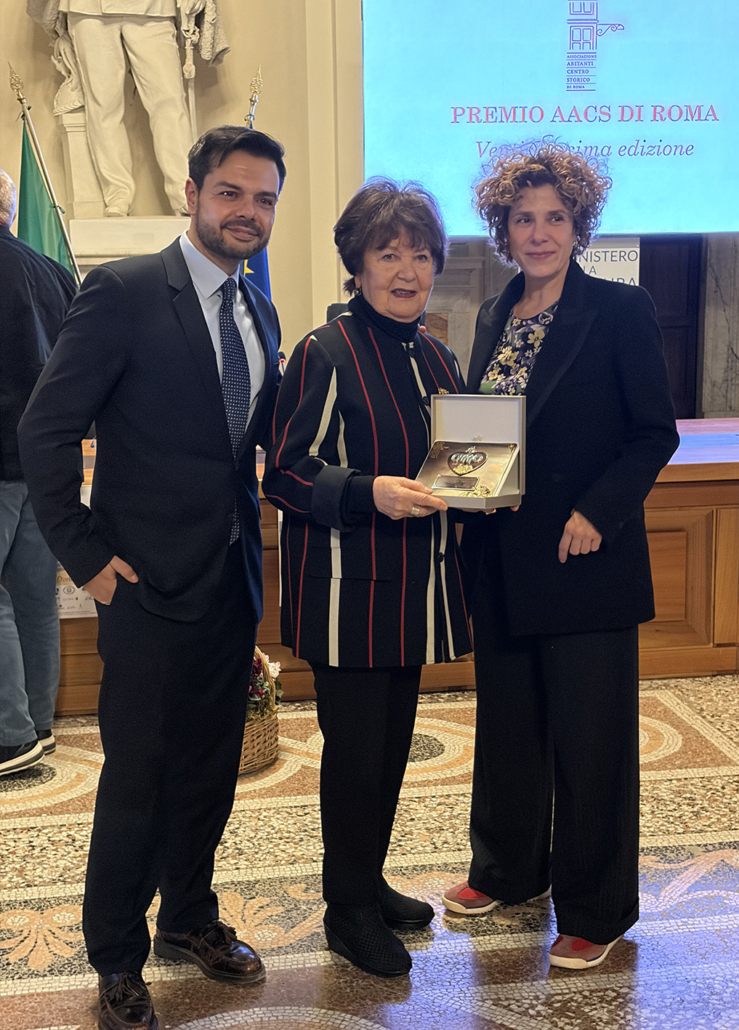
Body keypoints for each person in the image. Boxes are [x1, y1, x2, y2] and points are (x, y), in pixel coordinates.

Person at [18, 125, 285, 1030]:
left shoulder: (259, 309)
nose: (247, 212)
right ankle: (116, 958)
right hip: (143, 588)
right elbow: (46, 428)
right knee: (138, 779)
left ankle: (189, 918)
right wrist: (86, 558)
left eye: (263, 199)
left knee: (210, 769)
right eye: (231, 193)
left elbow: (246, 449)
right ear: (193, 193)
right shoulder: (124, 291)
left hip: (230, 585)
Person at [441, 142, 679, 970]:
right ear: (501, 230)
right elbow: (484, 431)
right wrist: (460, 488)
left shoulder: (618, 309)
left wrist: (596, 512)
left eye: (554, 217)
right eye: (522, 219)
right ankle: (507, 871)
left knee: (590, 743)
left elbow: (652, 433)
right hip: (503, 559)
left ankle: (595, 909)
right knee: (509, 731)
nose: (538, 233)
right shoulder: (492, 312)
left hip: (584, 561)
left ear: (579, 226)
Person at [263, 178, 471, 979]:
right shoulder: (326, 351)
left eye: (420, 254)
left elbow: (459, 464)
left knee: (388, 751)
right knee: (355, 757)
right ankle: (346, 910)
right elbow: (284, 472)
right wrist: (366, 492)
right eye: (388, 254)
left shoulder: (437, 354)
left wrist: (485, 487)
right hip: (348, 594)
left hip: (415, 590)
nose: (407, 270)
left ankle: (367, 880)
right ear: (356, 265)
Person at [0, 170, 76, 777]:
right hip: (45, 461)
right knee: (33, 596)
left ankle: (9, 733)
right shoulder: (52, 270)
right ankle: (39, 724)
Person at [36, 0, 227, 215]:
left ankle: (183, 190)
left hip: (155, 8)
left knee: (169, 101)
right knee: (104, 106)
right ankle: (117, 193)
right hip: (88, 8)